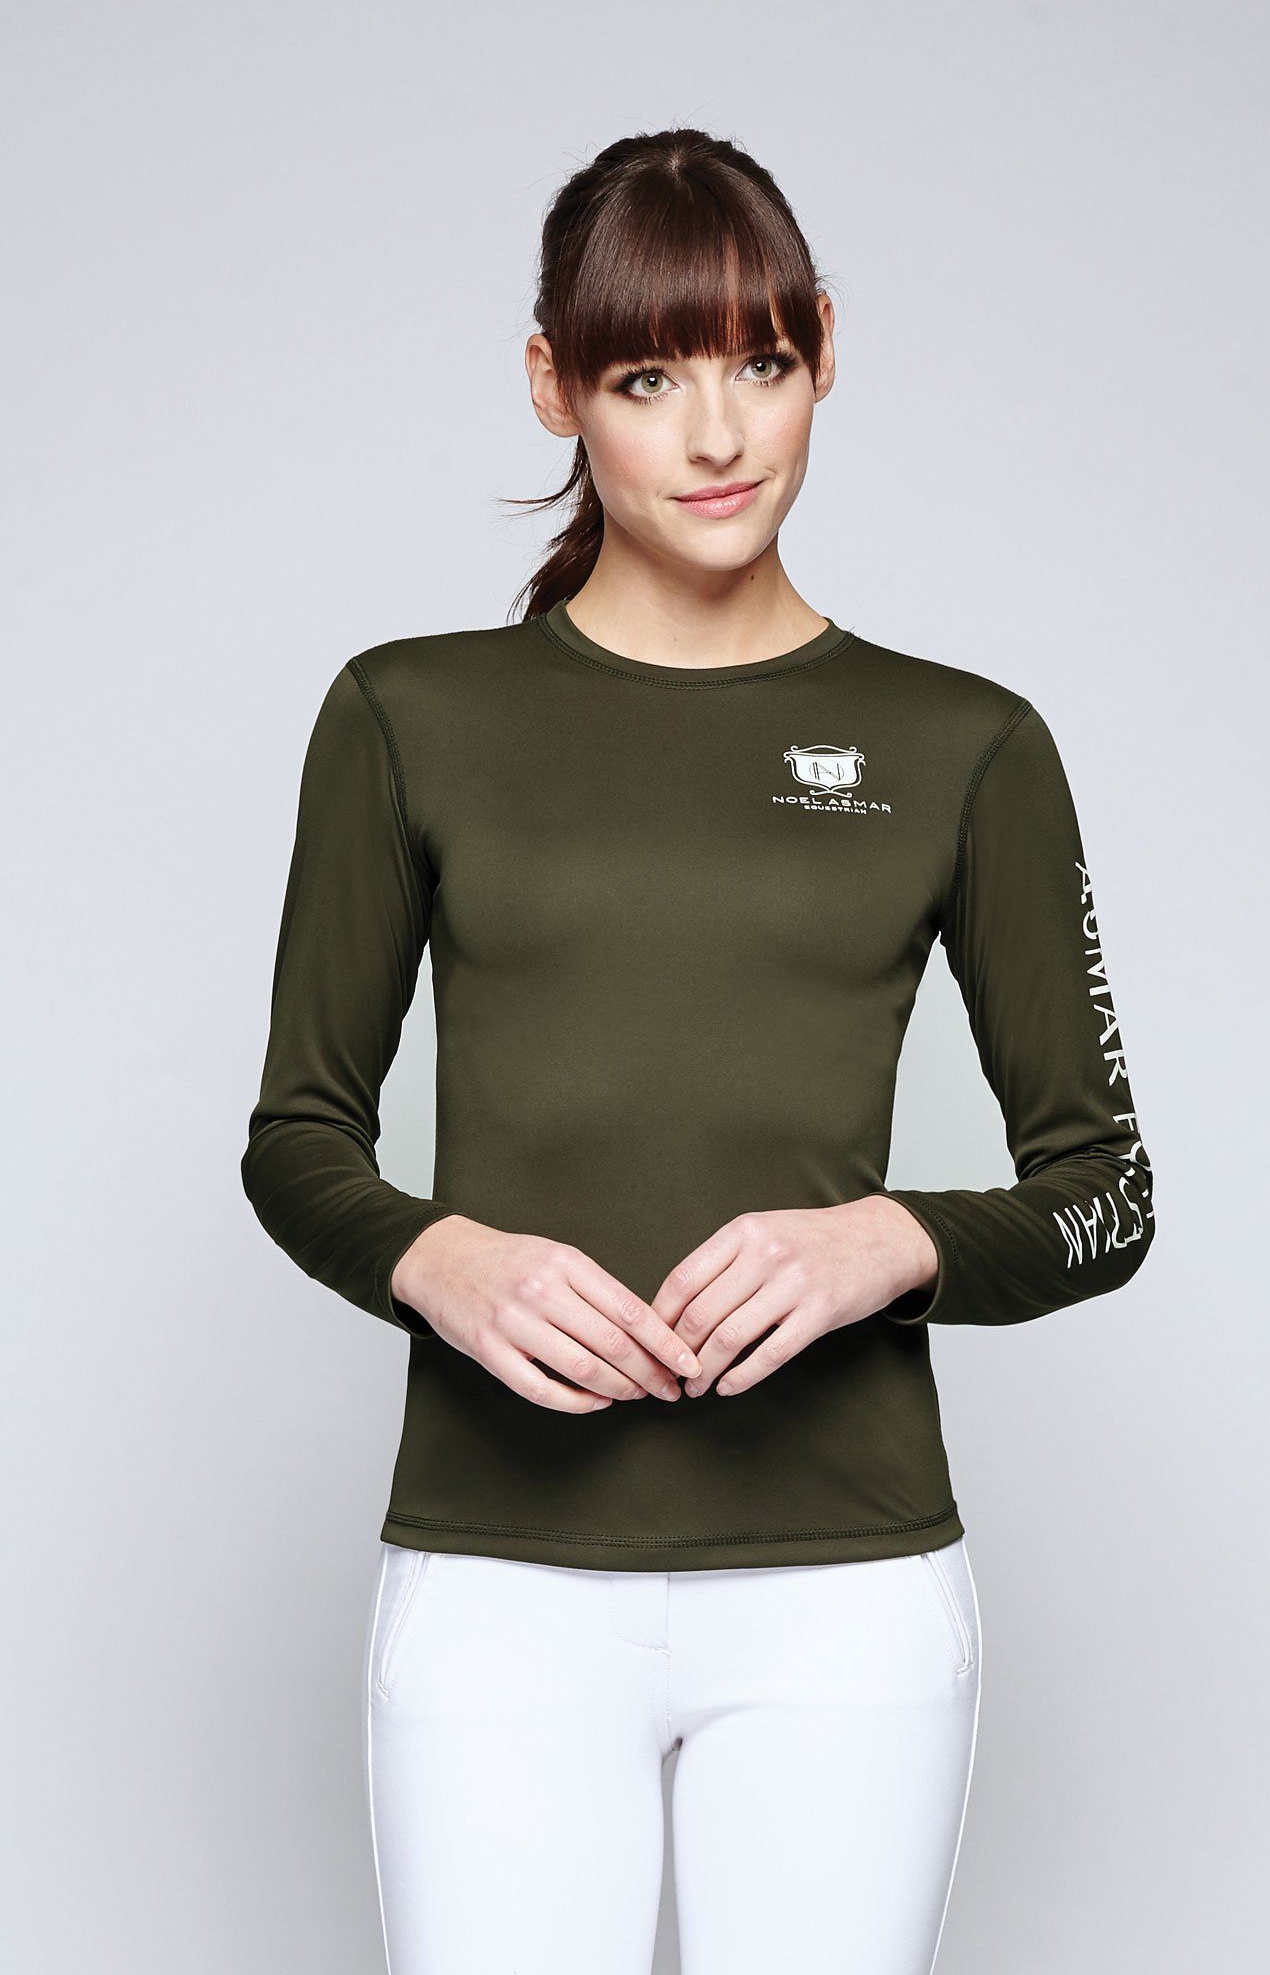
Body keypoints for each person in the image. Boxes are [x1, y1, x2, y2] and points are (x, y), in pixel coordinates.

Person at [240, 125, 1156, 1975]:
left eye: (761, 361)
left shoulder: (966, 744)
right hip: (497, 1587)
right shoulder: (408, 716)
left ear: (824, 355)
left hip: (848, 1602)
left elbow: (1108, 1195)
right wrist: (438, 1256)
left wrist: (891, 1241)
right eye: (648, 378)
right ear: (554, 385)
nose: (719, 434)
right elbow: (297, 1138)